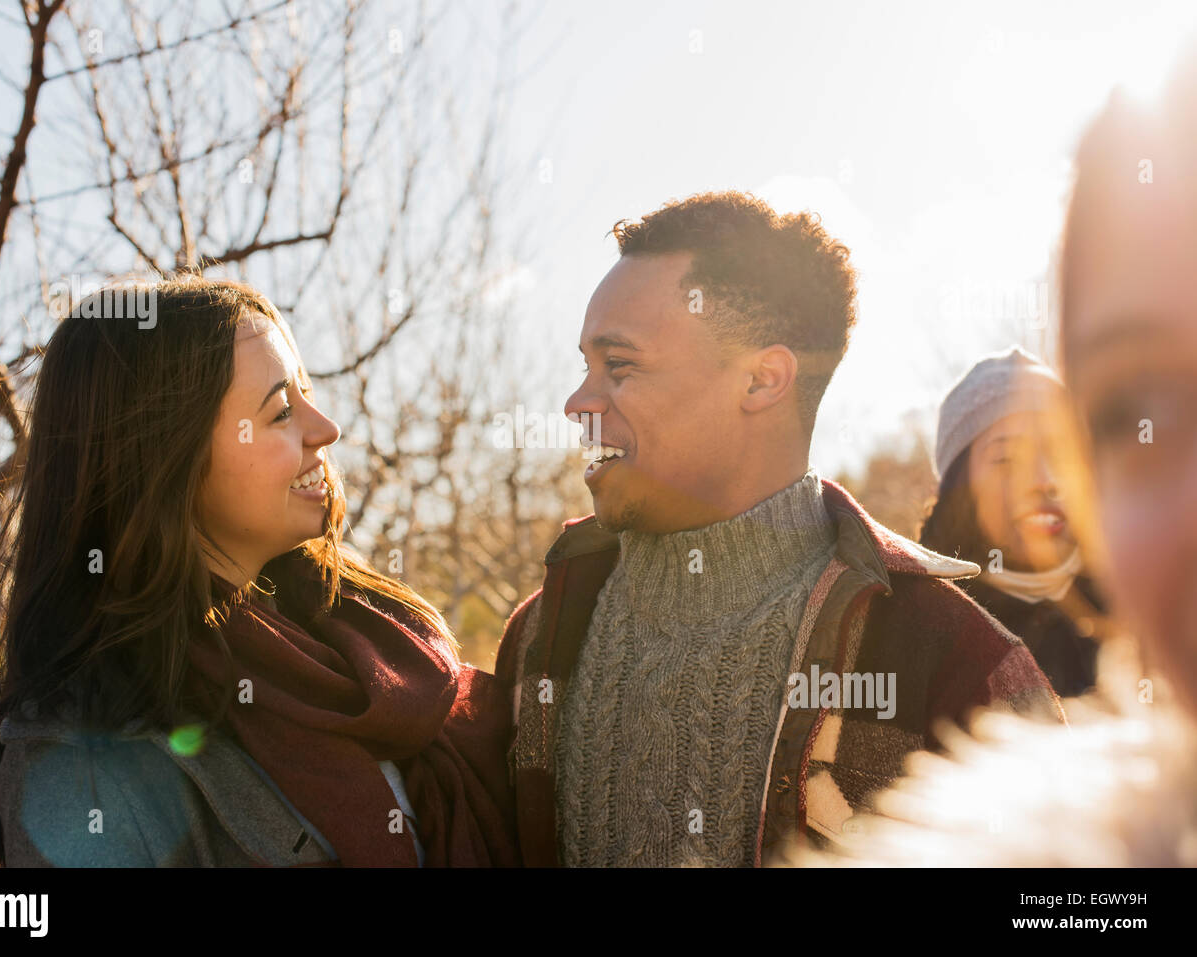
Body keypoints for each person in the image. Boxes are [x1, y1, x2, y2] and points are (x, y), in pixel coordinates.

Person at [493, 190, 1065, 868]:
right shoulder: (542, 637)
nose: (577, 402)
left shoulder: (956, 661)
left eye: (618, 366)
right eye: (585, 366)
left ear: (763, 380)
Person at [0, 276, 518, 867]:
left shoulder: (374, 639)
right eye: (280, 412)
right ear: (168, 459)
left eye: (306, 391)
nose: (326, 429)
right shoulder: (83, 768)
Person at [784, 43, 1197, 868]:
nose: (1045, 478)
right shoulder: (902, 628)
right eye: (1132, 413)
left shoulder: (1118, 625)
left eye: (1062, 448)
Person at [919, 346, 1110, 698]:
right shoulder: (914, 639)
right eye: (1007, 458)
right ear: (960, 491)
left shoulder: (1150, 617)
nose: (1044, 479)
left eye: (1059, 453)